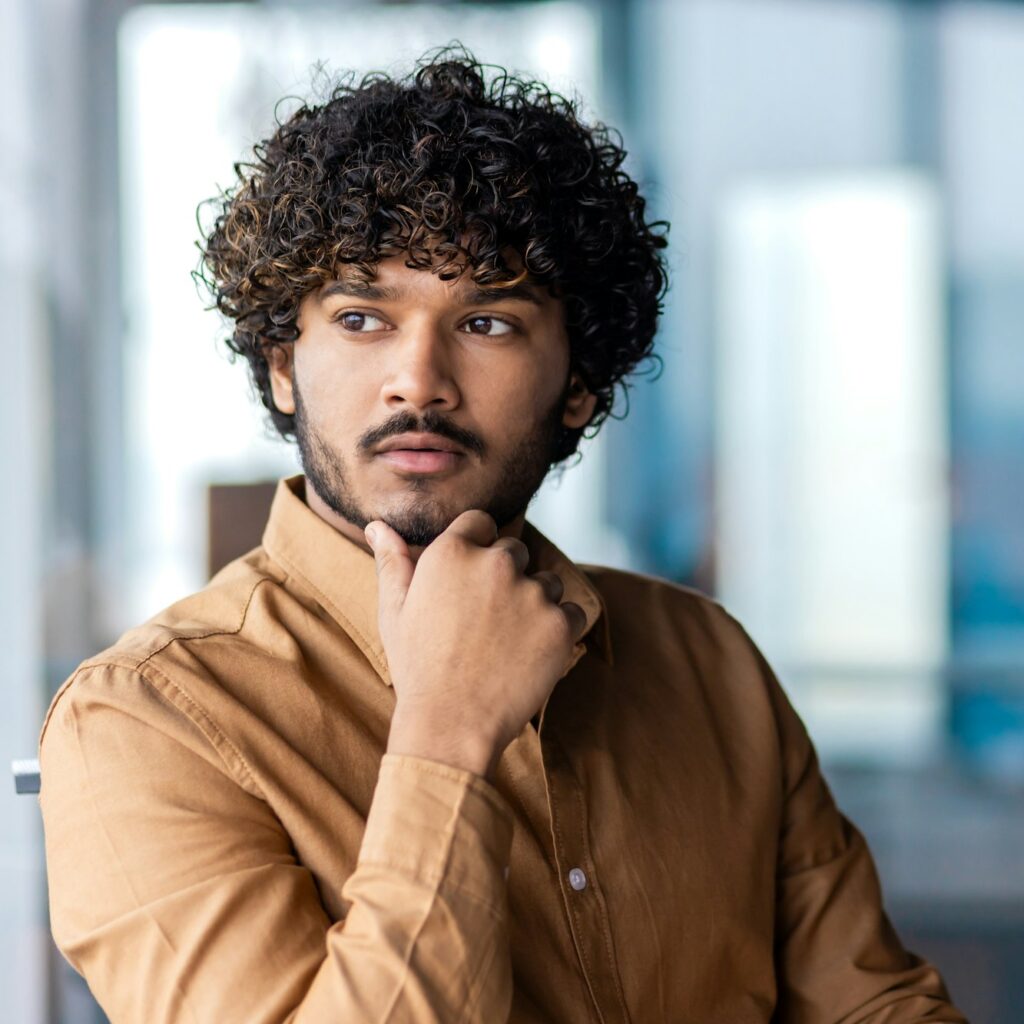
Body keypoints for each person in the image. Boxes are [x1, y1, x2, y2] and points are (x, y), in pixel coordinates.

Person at [38, 49, 966, 1024]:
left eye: (486, 322)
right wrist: (446, 731)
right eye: (361, 318)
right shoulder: (146, 720)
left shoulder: (705, 660)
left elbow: (875, 1005)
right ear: (282, 367)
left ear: (579, 383)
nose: (418, 380)